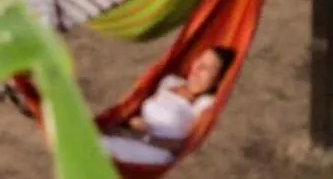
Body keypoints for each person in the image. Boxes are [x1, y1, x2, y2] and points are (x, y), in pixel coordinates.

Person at [100, 46, 237, 167]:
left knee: (96, 149)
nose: (197, 68)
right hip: (131, 137)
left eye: (206, 68)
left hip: (156, 151)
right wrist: (131, 126)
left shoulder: (205, 103)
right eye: (199, 61)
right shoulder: (170, 81)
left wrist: (145, 137)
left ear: (217, 80)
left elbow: (183, 146)